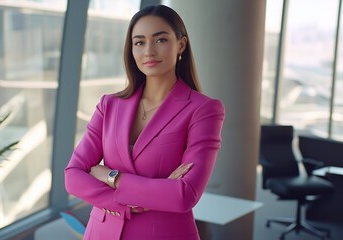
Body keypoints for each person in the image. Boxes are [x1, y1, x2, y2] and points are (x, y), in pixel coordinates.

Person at [65, 5, 225, 240]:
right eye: (139, 42)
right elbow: (73, 177)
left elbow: (184, 194)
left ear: (180, 45)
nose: (149, 51)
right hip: (101, 233)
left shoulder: (204, 109)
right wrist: (137, 204)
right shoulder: (109, 105)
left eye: (160, 40)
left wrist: (112, 177)